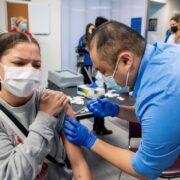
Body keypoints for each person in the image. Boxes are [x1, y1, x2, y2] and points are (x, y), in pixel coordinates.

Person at [63, 21, 180, 179]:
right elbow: (147, 114)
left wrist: (90, 140)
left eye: (104, 71)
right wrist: (116, 109)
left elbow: (144, 170)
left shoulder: (163, 92)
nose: (105, 77)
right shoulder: (165, 54)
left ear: (126, 60)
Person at [0, 32, 92, 180]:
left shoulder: (55, 101)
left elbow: (79, 165)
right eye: (18, 63)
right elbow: (10, 175)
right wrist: (45, 116)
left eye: (36, 65)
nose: (29, 71)